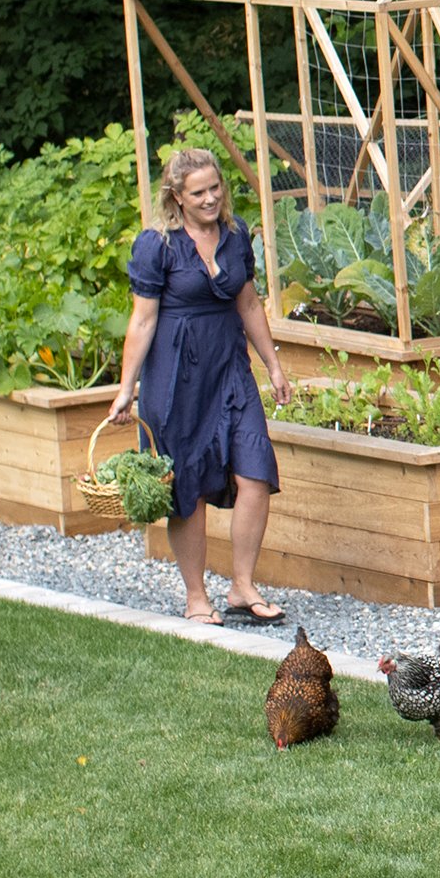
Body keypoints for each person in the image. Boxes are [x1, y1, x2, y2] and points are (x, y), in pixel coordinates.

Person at [117, 146, 292, 629]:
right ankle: (196, 596)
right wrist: (125, 389)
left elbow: (250, 306)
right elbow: (142, 320)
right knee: (186, 486)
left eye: (216, 187)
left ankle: (242, 585)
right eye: (199, 192)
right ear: (177, 196)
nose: (212, 198)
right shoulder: (158, 246)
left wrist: (274, 367)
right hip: (176, 379)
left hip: (229, 370)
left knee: (256, 472)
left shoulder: (235, 238)